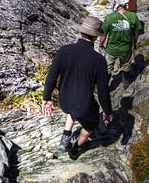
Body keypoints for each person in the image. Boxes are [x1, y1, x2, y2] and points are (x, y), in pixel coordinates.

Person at [42, 16, 113, 159]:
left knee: (73, 109)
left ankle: (66, 135)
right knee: (90, 125)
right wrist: (107, 111)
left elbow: (51, 76)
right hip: (83, 105)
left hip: (64, 101)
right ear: (95, 37)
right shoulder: (99, 60)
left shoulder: (64, 50)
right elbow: (103, 91)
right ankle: (76, 148)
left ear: (82, 32)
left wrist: (47, 98)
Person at [98, 0, 143, 84]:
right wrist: (134, 44)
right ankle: (126, 83)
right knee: (126, 67)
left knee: (107, 68)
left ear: (116, 3)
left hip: (111, 49)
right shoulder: (132, 16)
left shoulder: (109, 18)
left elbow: (103, 35)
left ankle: (104, 87)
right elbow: (136, 32)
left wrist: (100, 45)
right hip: (126, 49)